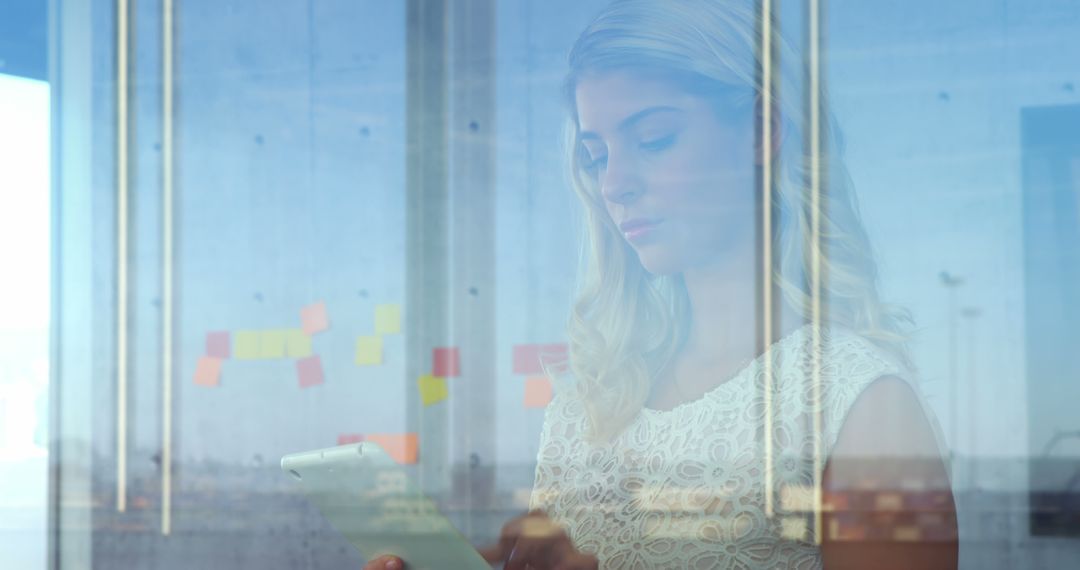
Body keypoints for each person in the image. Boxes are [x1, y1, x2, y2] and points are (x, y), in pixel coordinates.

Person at [367, 0, 957, 568]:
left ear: (760, 131)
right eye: (597, 156)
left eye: (653, 140)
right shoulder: (590, 398)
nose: (615, 184)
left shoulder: (858, 401)